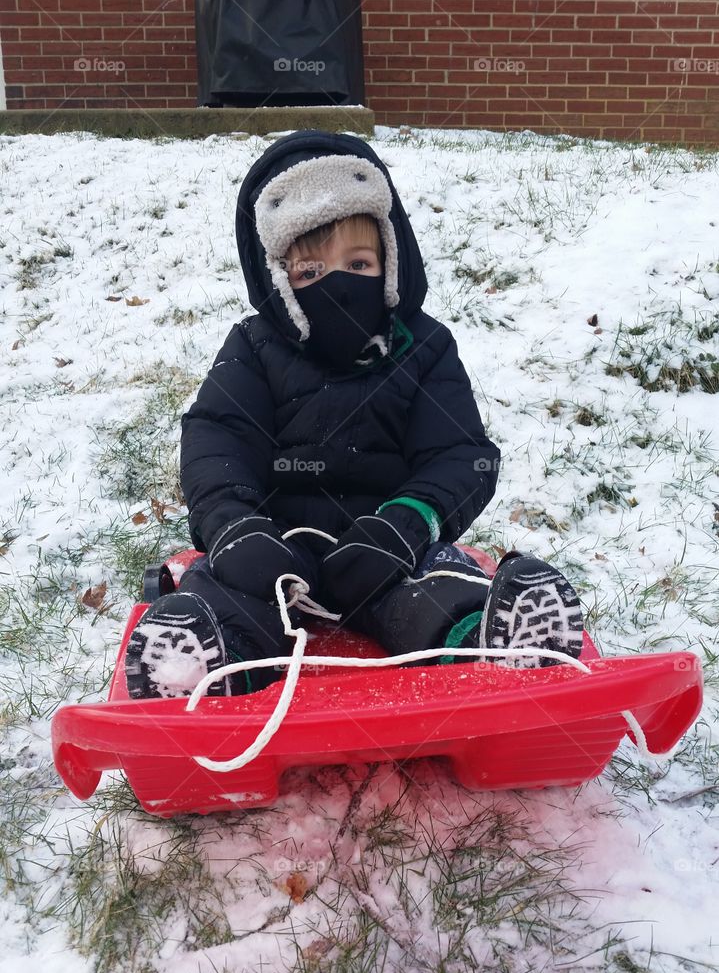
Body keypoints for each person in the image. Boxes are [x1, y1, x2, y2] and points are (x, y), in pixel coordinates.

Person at [125, 131, 583, 701]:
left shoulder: (425, 347)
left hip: (387, 542)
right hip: (276, 544)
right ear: (279, 281)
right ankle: (209, 665)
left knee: (437, 582)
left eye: (358, 263)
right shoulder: (255, 345)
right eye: (310, 273)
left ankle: (490, 641)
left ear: (393, 260)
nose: (337, 285)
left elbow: (460, 454)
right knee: (223, 585)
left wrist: (405, 524)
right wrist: (232, 525)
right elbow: (218, 437)